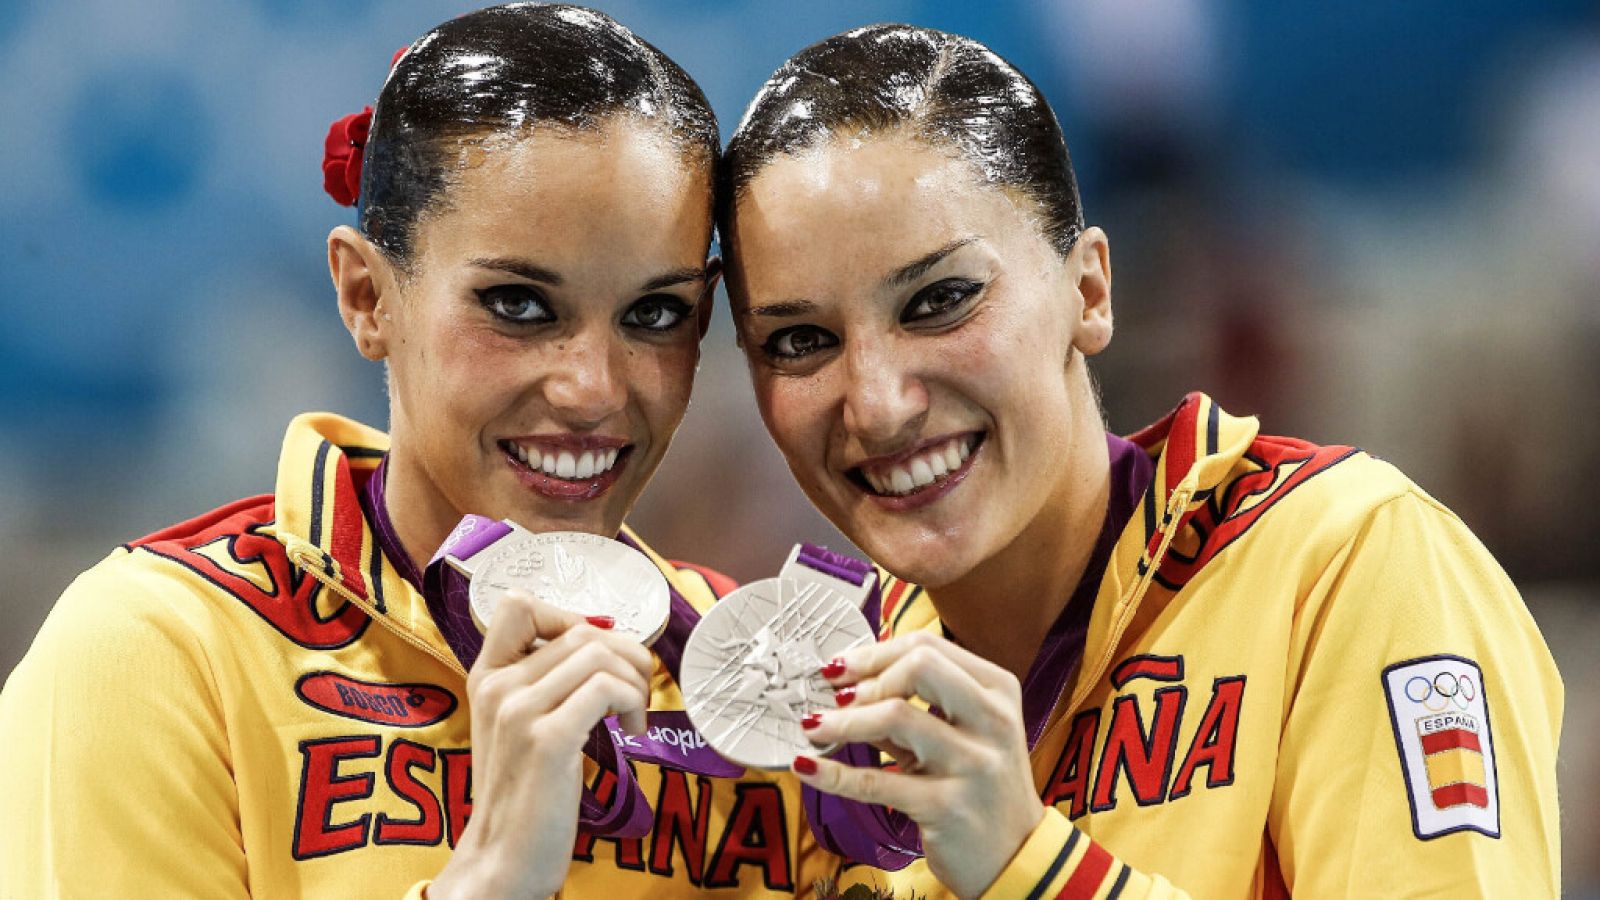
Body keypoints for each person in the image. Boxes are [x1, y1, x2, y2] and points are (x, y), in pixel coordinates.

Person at [0, 6, 834, 898]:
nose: (594, 387)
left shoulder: (755, 676)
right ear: (366, 296)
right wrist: (486, 880)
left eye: (655, 314)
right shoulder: (161, 652)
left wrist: (999, 858)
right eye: (518, 304)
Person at [717, 24, 1563, 899]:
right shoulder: (824, 710)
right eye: (801, 340)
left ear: (1088, 290)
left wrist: (1034, 868)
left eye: (939, 300)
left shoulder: (1347, 565)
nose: (879, 403)